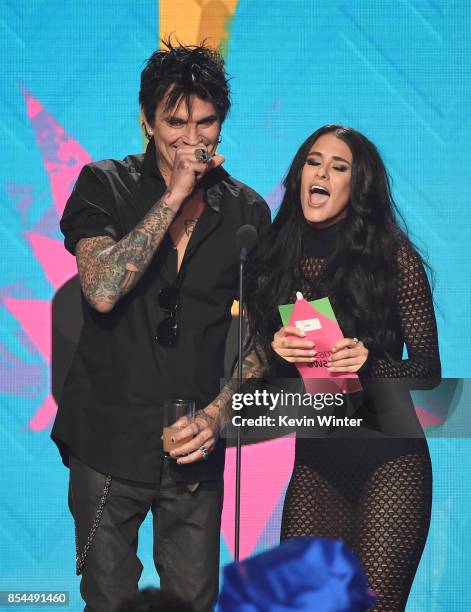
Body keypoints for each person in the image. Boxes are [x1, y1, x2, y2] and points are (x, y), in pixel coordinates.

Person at [51, 39, 270, 612]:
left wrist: (219, 416)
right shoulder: (104, 184)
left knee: (194, 602)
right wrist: (174, 196)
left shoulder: (247, 211)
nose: (192, 139)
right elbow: (100, 290)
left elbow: (261, 340)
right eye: (175, 122)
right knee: (107, 599)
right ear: (147, 122)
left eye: (206, 123)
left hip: (194, 449)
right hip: (105, 441)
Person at [244, 125, 441, 611]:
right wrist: (275, 353)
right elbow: (269, 382)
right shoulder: (271, 259)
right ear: (299, 173)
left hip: (391, 460)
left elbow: (430, 369)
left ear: (359, 185)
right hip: (317, 463)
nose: (323, 173)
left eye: (339, 166)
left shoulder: (394, 258)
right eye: (314, 161)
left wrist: (372, 363)